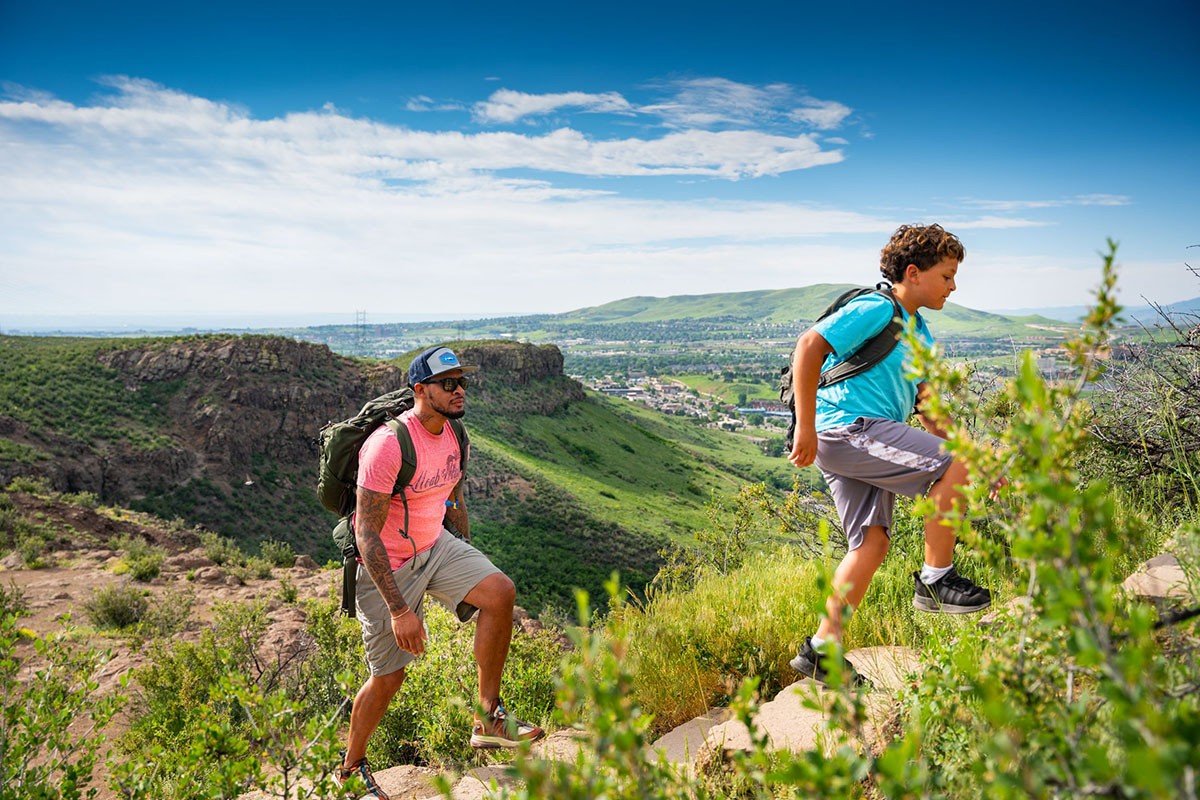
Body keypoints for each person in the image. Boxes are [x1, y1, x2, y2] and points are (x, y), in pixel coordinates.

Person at [786, 223, 991, 686]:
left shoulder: (920, 333)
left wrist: (981, 460)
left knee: (872, 544)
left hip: (860, 436)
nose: (953, 286)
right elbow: (809, 346)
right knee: (953, 463)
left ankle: (822, 650)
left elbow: (930, 410)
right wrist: (805, 425)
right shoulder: (878, 308)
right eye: (947, 276)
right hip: (848, 429)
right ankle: (937, 580)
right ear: (913, 273)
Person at [336, 345, 544, 798]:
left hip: (435, 544)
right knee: (389, 676)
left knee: (499, 592)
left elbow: (453, 496)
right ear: (420, 390)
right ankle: (350, 769)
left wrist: (465, 548)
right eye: (448, 383)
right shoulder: (388, 445)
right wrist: (399, 611)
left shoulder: (455, 434)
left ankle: (488, 718)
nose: (459, 390)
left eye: (462, 382)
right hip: (387, 564)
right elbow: (366, 534)